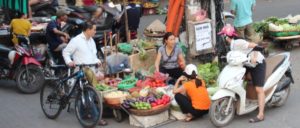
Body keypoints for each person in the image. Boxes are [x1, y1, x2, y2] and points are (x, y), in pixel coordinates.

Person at [218, 24, 266, 123]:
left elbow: (254, 45)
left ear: (226, 36)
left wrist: (255, 57)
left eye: (223, 35)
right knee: (239, 79)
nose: (222, 38)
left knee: (258, 88)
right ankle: (243, 102)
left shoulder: (238, 43)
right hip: (246, 63)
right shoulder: (231, 45)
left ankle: (261, 114)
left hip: (256, 64)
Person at [62, 22, 107, 126]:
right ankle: (96, 117)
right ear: (87, 30)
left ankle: (82, 114)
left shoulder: (91, 41)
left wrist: (97, 60)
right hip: (81, 71)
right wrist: (69, 61)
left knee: (88, 93)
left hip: (91, 71)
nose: (95, 31)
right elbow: (66, 52)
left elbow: (93, 55)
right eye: (94, 29)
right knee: (88, 94)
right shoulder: (76, 40)